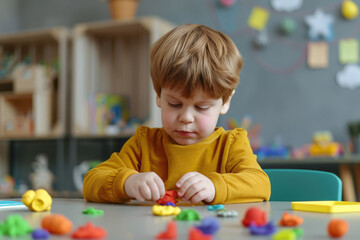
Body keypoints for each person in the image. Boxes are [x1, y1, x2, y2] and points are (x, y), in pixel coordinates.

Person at [83, 24, 270, 204]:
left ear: (225, 102)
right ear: (158, 96)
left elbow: (261, 185)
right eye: (174, 104)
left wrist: (215, 186)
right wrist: (126, 182)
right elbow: (92, 181)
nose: (186, 117)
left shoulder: (230, 145)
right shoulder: (143, 144)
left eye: (202, 107)